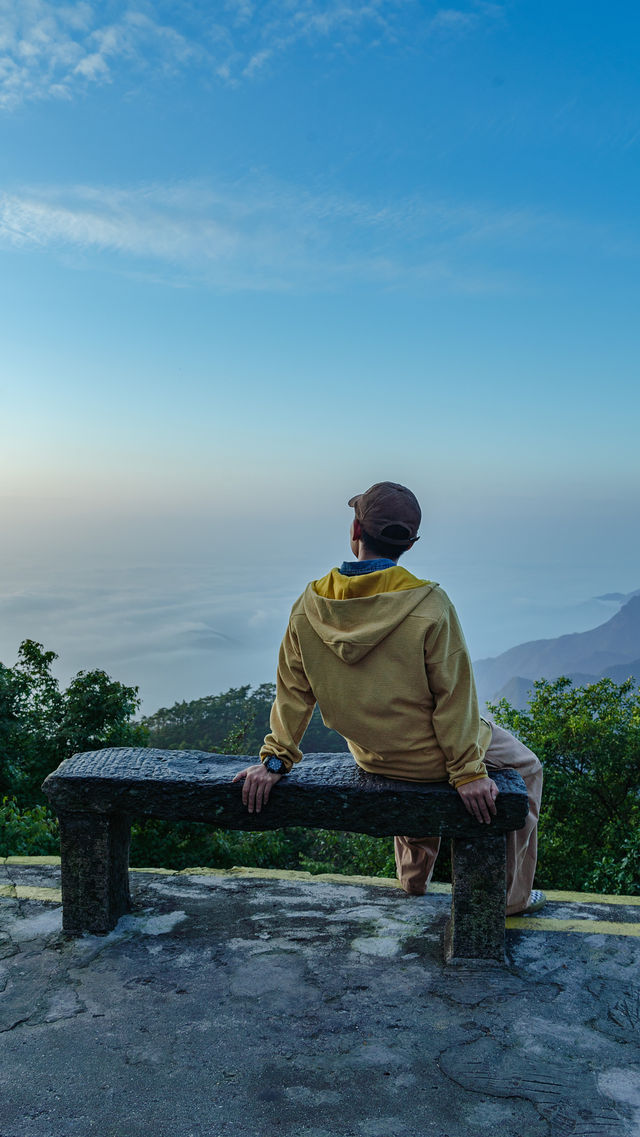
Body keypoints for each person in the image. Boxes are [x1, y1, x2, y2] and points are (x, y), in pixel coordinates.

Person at [233, 481, 544, 915]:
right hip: (434, 759)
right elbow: (454, 698)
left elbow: (293, 692)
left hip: (375, 756)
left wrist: (275, 760)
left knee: (403, 733)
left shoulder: (309, 604)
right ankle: (511, 900)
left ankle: (413, 883)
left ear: (355, 530)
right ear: (411, 543)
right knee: (527, 767)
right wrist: (469, 772)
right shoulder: (429, 604)